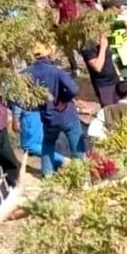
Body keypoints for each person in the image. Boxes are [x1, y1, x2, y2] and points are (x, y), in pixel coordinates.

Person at [23, 43, 86, 177]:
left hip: (48, 116)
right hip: (66, 115)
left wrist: (35, 107)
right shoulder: (56, 71)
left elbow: (17, 96)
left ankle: (47, 175)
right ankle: (82, 177)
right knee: (77, 147)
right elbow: (74, 89)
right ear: (49, 53)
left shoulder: (26, 74)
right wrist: (63, 99)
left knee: (48, 144)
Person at [79, 35, 120, 107]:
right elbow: (97, 67)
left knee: (121, 107)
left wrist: (119, 74)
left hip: (115, 80)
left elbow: (110, 59)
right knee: (110, 110)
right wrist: (103, 47)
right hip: (104, 85)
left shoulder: (102, 40)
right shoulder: (87, 47)